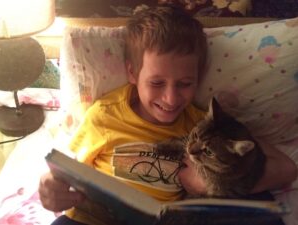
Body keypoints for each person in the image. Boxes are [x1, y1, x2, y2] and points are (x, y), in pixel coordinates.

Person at [38, 5, 297, 225]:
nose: (171, 99)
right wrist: (51, 185)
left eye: (184, 83)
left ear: (199, 76)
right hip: (96, 217)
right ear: (132, 74)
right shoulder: (105, 115)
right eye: (157, 83)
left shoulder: (203, 126)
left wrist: (211, 187)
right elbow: (71, 169)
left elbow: (286, 168)